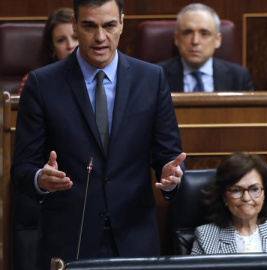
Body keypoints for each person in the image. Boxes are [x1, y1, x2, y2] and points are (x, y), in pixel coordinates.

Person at [11, 0, 185, 269]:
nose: (100, 37)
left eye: (109, 25)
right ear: (74, 25)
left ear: (122, 23)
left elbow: (168, 155)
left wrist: (171, 176)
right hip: (69, 242)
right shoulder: (42, 84)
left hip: (134, 239)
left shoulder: (151, 79)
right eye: (90, 26)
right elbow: (22, 168)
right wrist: (40, 179)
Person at [191, 153, 267, 254]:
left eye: (254, 189)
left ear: (264, 193)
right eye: (236, 190)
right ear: (224, 197)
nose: (246, 198)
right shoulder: (206, 236)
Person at [158, 3, 253, 92]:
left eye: (204, 34)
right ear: (177, 39)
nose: (195, 41)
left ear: (217, 40)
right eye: (187, 33)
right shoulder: (157, 77)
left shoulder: (239, 77)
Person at [18, 8, 78, 94]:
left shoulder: (98, 77)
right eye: (61, 40)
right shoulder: (35, 81)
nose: (70, 45)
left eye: (76, 38)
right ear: (52, 47)